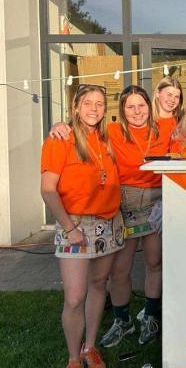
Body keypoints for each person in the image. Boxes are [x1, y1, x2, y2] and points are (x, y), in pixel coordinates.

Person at [49, 86, 169, 349]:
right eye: (130, 107)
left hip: (155, 204)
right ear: (122, 111)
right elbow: (78, 130)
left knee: (155, 262)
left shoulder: (165, 128)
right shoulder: (111, 132)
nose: (137, 111)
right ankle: (122, 320)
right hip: (123, 206)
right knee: (119, 270)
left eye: (141, 105)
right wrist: (59, 125)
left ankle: (150, 316)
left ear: (150, 106)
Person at [41, 84, 123, 368]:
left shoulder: (105, 138)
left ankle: (90, 347)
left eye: (100, 104)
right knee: (75, 296)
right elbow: (47, 189)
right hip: (74, 223)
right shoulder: (60, 140)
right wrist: (69, 228)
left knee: (99, 285)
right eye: (87, 103)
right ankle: (73, 358)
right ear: (75, 106)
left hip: (109, 222)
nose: (94, 109)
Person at [152, 76, 184, 142]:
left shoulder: (182, 122)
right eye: (169, 95)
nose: (172, 100)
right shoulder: (147, 121)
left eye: (176, 97)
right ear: (158, 93)